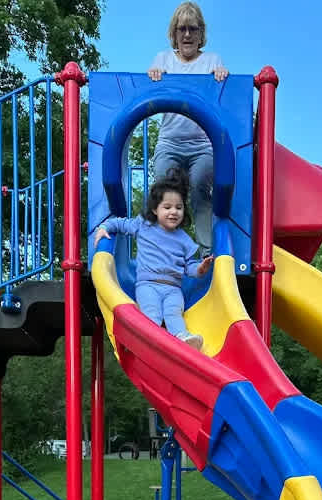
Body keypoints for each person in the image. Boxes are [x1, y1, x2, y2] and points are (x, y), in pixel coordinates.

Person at [94, 170, 213, 350]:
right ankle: (146, 340)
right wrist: (104, 227)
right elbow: (120, 223)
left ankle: (183, 338)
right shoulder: (144, 226)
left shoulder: (184, 240)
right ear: (155, 209)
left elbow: (189, 266)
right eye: (167, 207)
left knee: (174, 313)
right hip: (148, 285)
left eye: (179, 207)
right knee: (152, 313)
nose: (173, 212)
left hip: (173, 288)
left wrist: (200, 269)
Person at [147, 2, 228, 256]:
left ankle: (207, 252)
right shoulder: (163, 59)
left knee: (199, 185)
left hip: (202, 144)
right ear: (174, 33)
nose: (187, 35)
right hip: (170, 142)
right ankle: (165, 250)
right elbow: (150, 91)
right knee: (164, 188)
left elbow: (222, 96)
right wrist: (154, 75)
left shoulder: (212, 60)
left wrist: (221, 75)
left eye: (193, 29)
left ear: (201, 33)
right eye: (182, 29)